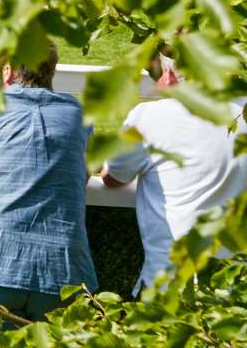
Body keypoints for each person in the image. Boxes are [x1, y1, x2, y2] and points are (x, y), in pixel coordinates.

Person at [0, 44, 96, 332]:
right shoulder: (79, 114)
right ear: (52, 71)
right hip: (64, 272)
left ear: (8, 72)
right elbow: (84, 174)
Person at [101, 53, 247, 293]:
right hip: (234, 282)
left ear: (169, 75)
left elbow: (113, 178)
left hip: (168, 282)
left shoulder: (149, 116)